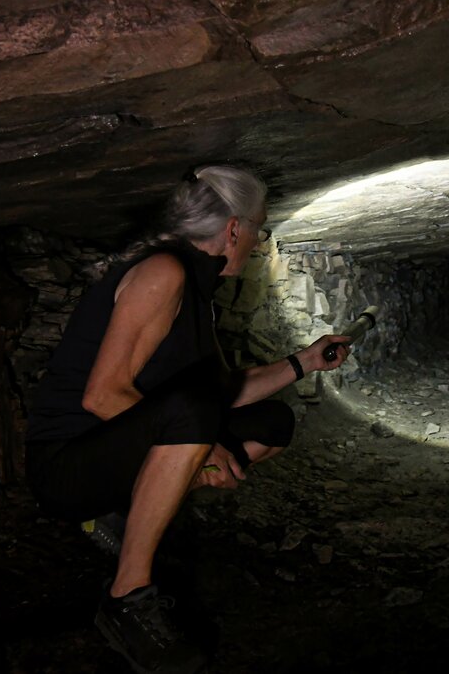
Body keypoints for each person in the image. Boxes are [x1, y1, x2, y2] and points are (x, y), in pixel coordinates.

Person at [24, 165, 348, 674]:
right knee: (195, 414)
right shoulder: (164, 273)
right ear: (234, 229)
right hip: (66, 461)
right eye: (259, 228)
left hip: (119, 447)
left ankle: (120, 517)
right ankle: (126, 598)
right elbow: (102, 395)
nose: (259, 243)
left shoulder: (197, 294)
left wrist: (305, 361)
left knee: (272, 425)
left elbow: (226, 394)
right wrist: (205, 444)